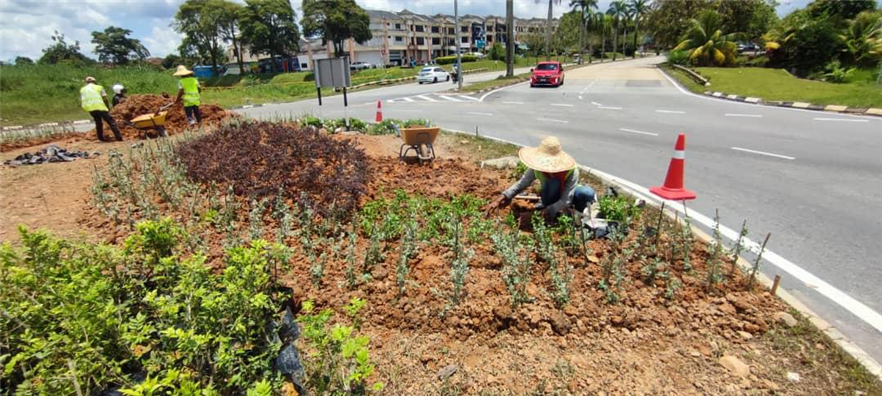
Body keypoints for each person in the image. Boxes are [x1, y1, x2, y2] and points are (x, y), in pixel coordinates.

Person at [489, 136, 595, 220]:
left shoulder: (571, 171)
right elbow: (521, 183)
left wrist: (538, 215)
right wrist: (501, 198)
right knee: (553, 184)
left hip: (568, 196)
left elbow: (566, 199)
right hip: (549, 197)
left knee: (587, 193)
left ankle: (575, 216)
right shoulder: (536, 167)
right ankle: (555, 211)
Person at [80, 76, 123, 142]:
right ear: (94, 82)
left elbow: (82, 100)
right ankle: (119, 138)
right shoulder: (99, 87)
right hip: (100, 107)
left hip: (90, 108)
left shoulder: (82, 89)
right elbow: (105, 98)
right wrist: (107, 108)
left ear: (87, 82)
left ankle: (100, 138)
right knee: (111, 122)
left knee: (98, 122)